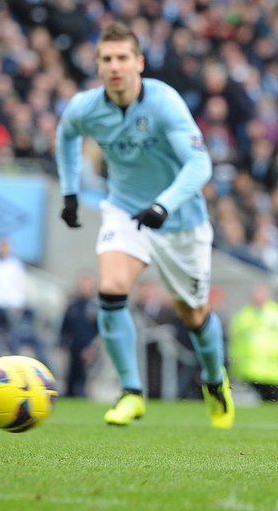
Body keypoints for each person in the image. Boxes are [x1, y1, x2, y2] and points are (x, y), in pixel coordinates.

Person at [55, 21, 233, 428]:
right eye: (106, 59)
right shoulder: (85, 108)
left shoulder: (164, 102)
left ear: (139, 62)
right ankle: (131, 392)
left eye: (122, 58)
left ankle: (214, 380)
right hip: (125, 210)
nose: (115, 66)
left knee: (193, 314)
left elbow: (200, 163)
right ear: (97, 65)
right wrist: (69, 191)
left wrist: (164, 205)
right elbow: (65, 136)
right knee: (112, 287)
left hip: (180, 220)